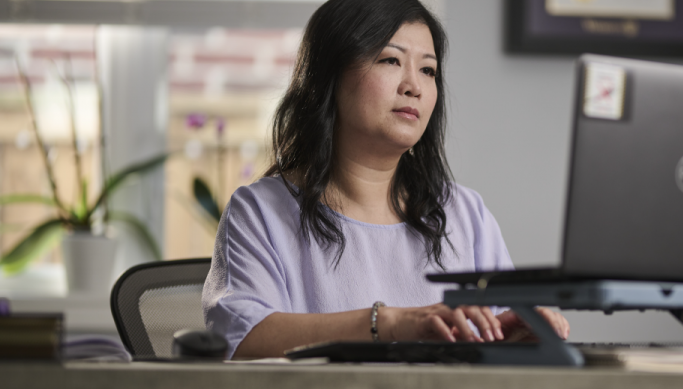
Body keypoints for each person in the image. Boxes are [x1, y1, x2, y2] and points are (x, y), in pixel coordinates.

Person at [202, 0, 570, 359]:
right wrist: (390, 323)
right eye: (390, 60)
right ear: (329, 76)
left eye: (428, 70)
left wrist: (514, 339)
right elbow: (242, 338)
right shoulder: (260, 211)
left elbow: (497, 337)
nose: (415, 86)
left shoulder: (465, 213)